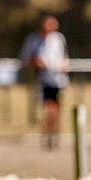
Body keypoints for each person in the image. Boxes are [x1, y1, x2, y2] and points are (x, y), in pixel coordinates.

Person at [20, 15, 70, 150]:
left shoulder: (59, 39)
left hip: (58, 79)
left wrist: (64, 65)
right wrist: (36, 63)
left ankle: (56, 137)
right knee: (49, 109)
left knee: (58, 109)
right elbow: (25, 59)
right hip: (43, 79)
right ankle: (47, 136)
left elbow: (64, 56)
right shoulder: (33, 39)